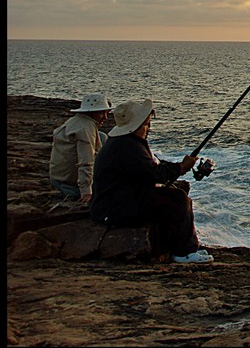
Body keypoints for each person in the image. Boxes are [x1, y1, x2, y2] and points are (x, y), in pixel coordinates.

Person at [89, 98, 213, 264]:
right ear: (136, 127)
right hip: (114, 209)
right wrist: (180, 168)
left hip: (113, 202)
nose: (148, 128)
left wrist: (179, 167)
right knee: (178, 199)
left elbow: (151, 165)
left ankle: (184, 246)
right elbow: (154, 173)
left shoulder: (124, 143)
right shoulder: (128, 146)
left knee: (174, 195)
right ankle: (184, 252)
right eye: (145, 124)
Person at [50, 93, 113, 203]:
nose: (105, 117)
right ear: (92, 113)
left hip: (58, 177)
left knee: (102, 136)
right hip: (67, 183)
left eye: (106, 113)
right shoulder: (85, 128)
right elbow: (86, 162)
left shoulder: (76, 121)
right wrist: (86, 192)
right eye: (102, 113)